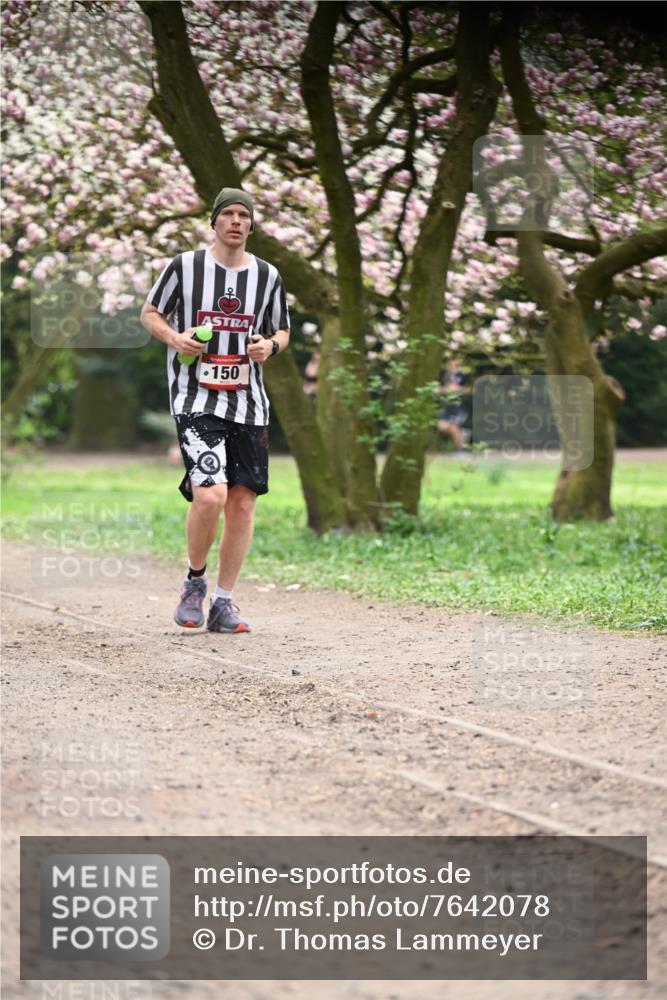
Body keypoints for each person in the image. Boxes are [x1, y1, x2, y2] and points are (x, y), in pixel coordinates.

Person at [140, 187, 290, 634]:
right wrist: (175, 339)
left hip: (249, 402)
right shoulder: (184, 267)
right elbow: (150, 313)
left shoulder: (267, 275)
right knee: (211, 495)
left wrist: (269, 346)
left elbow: (282, 329)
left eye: (244, 215)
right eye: (228, 214)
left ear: (251, 224)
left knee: (242, 504)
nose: (236, 222)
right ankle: (194, 583)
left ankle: (223, 603)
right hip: (195, 397)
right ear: (214, 222)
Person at [436, 358, 470, 451]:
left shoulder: (463, 376)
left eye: (456, 365)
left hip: (459, 407)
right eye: (451, 365)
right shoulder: (442, 375)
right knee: (442, 426)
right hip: (446, 407)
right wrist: (446, 389)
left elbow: (470, 390)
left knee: (453, 426)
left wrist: (459, 389)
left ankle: (462, 450)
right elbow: (435, 390)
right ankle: (463, 435)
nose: (453, 367)